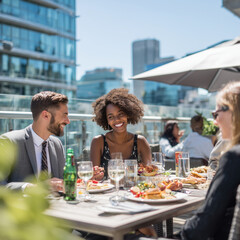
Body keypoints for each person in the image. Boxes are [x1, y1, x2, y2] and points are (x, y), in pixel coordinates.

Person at [179, 81, 240, 240]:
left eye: (216, 114)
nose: (215, 122)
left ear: (234, 112)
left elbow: (201, 227)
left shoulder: (234, 158)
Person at [1, 91, 70, 191]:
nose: (68, 121)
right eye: (64, 115)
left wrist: (86, 180)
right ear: (45, 115)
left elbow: (63, 181)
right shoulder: (9, 142)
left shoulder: (57, 144)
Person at [90, 88, 152, 180]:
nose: (116, 120)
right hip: (106, 193)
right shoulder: (98, 142)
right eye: (111, 117)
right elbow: (93, 180)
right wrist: (95, 175)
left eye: (121, 114)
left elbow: (150, 174)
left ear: (128, 114)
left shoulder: (140, 142)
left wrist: (147, 170)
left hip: (135, 192)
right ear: (106, 120)